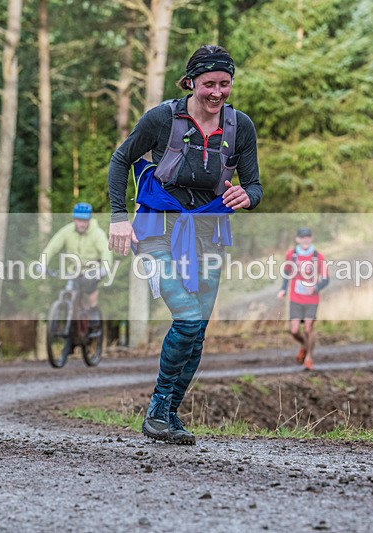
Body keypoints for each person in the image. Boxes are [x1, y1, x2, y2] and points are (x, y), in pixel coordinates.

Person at [107, 44, 262, 445]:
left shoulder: (240, 126)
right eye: (209, 83)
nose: (217, 92)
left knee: (198, 329)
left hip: (208, 232)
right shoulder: (162, 118)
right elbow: (120, 160)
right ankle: (157, 410)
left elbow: (254, 185)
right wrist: (118, 217)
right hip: (157, 229)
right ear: (191, 82)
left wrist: (247, 196)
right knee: (188, 317)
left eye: (225, 83)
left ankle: (169, 414)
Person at [41, 202, 112, 327]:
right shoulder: (67, 231)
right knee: (69, 290)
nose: (82, 224)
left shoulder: (97, 234)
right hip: (73, 270)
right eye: (79, 220)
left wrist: (104, 268)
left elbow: (106, 252)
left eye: (85, 221)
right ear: (74, 219)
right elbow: (52, 247)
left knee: (89, 286)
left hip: (92, 270)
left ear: (89, 220)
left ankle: (94, 311)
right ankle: (66, 314)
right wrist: (42, 263)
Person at [277, 227, 329, 371]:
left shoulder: (317, 257)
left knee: (308, 328)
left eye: (308, 237)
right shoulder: (292, 255)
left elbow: (326, 279)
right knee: (294, 330)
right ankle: (305, 346)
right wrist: (283, 289)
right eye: (303, 237)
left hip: (311, 300)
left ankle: (309, 358)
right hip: (296, 298)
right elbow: (286, 272)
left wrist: (316, 287)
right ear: (298, 239)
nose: (305, 240)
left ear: (311, 239)